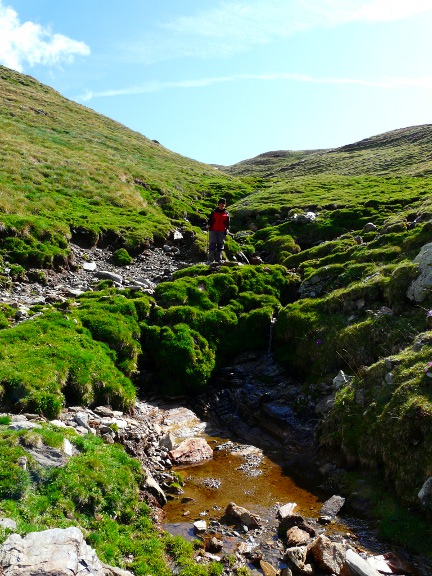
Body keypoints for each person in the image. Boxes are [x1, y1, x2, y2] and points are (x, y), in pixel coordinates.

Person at [206, 198, 230, 263]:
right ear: (218, 204)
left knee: (220, 245)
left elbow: (228, 224)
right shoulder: (214, 212)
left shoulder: (226, 213)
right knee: (212, 245)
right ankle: (210, 260)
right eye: (220, 203)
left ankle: (218, 260)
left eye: (223, 203)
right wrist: (208, 225)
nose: (221, 205)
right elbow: (210, 220)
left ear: (225, 204)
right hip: (213, 230)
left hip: (222, 231)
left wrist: (227, 229)